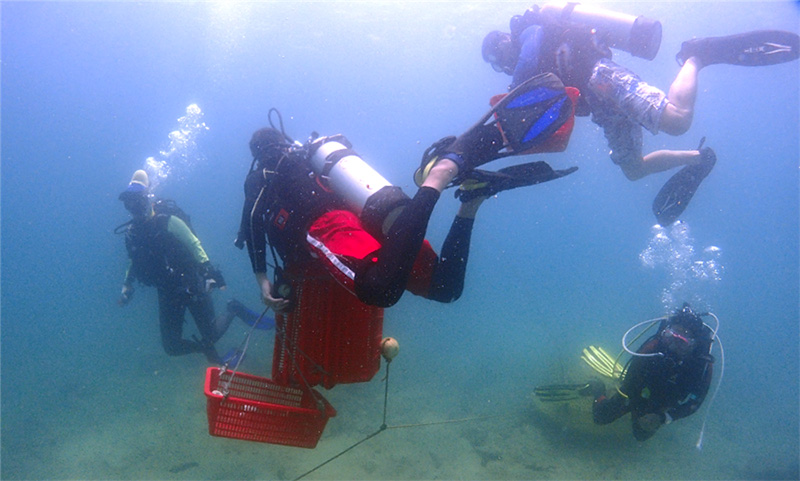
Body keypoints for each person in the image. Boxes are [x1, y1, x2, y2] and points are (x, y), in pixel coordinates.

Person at [235, 89, 577, 388]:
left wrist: (261, 278)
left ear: (257, 152)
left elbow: (252, 221)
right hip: (375, 219)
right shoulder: (308, 159)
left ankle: (441, 174)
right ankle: (472, 201)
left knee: (380, 289)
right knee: (445, 288)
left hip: (329, 226)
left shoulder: (264, 173)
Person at [482, 3, 799, 225]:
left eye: (499, 57)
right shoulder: (533, 60)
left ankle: (697, 56)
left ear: (502, 44)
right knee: (633, 170)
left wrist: (512, 95)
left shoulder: (529, 29)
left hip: (602, 77)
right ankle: (697, 159)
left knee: (676, 120)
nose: (503, 62)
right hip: (602, 108)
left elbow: (526, 62)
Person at [535, 304, 718, 441]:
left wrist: (663, 417)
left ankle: (646, 418)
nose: (673, 345)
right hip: (638, 389)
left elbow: (696, 403)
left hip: (662, 402)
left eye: (683, 342)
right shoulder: (654, 346)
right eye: (671, 337)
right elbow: (631, 378)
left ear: (694, 345)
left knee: (641, 436)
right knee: (601, 418)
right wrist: (633, 402)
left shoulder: (702, 365)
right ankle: (596, 388)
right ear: (665, 334)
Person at [117, 169, 239, 363]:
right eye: (128, 204)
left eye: (137, 202)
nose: (133, 208)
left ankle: (234, 308)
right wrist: (127, 285)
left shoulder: (167, 220)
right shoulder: (132, 233)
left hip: (190, 282)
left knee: (212, 332)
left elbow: (193, 243)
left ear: (146, 199)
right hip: (166, 290)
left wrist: (208, 269)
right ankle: (206, 348)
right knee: (171, 346)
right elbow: (133, 260)